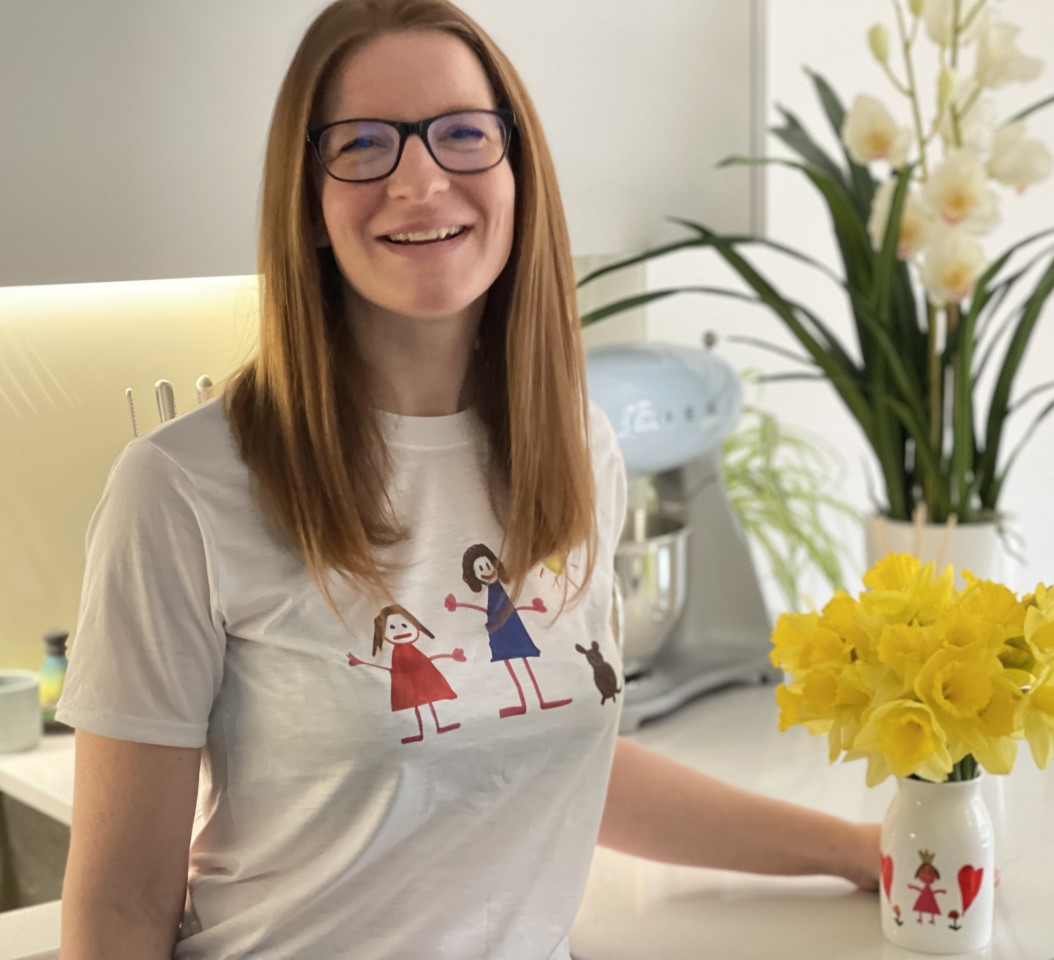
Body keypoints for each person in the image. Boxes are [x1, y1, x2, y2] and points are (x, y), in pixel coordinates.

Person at [54, 1, 880, 957]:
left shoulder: (576, 446)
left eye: (461, 135)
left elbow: (550, 754)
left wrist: (859, 849)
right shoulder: (182, 487)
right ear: (308, 205)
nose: (420, 178)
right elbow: (117, 907)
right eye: (363, 144)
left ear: (516, 172)